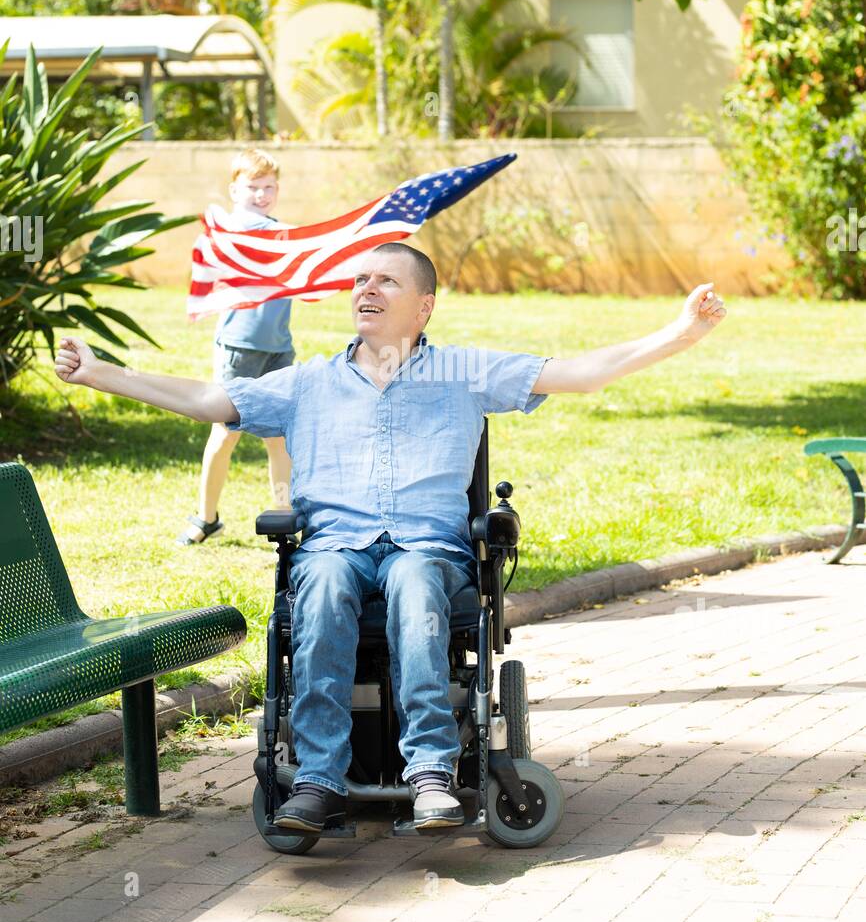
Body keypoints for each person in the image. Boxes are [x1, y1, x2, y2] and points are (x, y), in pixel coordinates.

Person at [54, 244, 726, 832]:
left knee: (412, 582)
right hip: (333, 548)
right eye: (359, 282)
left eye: (386, 282)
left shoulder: (464, 371)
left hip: (427, 552)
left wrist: (680, 333)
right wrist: (98, 372)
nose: (366, 291)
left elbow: (582, 373)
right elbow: (209, 401)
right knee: (319, 585)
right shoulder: (309, 382)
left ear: (424, 306)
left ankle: (431, 773)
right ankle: (318, 780)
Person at [178, 146, 294, 545]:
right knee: (224, 433)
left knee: (280, 439)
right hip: (238, 348)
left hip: (279, 348)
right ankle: (206, 517)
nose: (262, 195)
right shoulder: (231, 233)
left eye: (269, 187)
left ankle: (284, 514)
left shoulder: (283, 235)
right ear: (234, 190)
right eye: (253, 187)